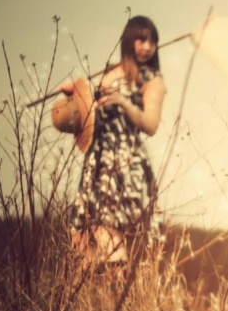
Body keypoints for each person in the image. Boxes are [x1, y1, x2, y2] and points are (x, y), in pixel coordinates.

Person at [59, 15, 167, 266]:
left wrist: (124, 101)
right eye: (142, 39)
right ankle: (97, 301)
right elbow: (88, 115)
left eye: (152, 42)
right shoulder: (108, 73)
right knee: (82, 235)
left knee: (109, 229)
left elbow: (150, 125)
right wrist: (74, 96)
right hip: (97, 160)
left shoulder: (152, 79)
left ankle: (118, 287)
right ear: (130, 40)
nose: (147, 47)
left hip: (125, 162)